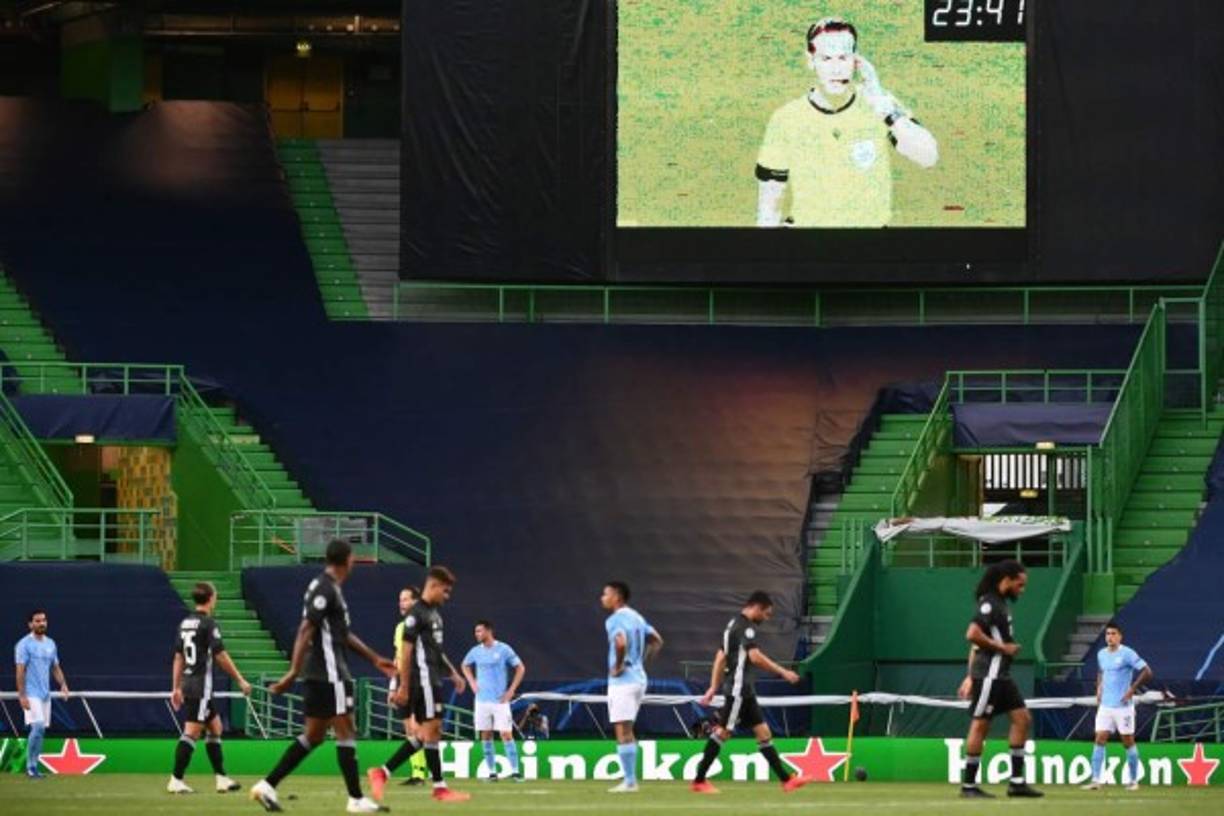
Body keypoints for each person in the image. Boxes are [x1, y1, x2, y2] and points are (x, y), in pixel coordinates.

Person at [249, 539, 396, 814]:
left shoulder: (327, 588)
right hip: (330, 674)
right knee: (346, 730)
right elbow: (306, 629)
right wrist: (292, 672)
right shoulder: (326, 588)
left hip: (319, 674)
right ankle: (355, 799)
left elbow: (342, 634)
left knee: (313, 737)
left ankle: (267, 785)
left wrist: (374, 658)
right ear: (347, 559)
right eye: (352, 558)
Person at [755, 16, 938, 228]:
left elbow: (928, 157)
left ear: (855, 60)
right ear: (810, 60)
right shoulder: (786, 119)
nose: (836, 69)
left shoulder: (879, 105)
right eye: (826, 59)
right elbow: (769, 206)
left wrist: (885, 109)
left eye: (843, 58)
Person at [691, 591, 808, 794]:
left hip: (744, 691)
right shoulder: (746, 628)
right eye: (766, 614)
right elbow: (755, 657)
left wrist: (713, 687)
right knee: (723, 732)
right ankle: (699, 781)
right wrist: (784, 672)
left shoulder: (732, 625)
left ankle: (787, 780)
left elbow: (720, 658)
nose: (766, 618)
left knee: (763, 733)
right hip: (738, 690)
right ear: (757, 607)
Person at [956, 560, 1042, 798]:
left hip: (1001, 675)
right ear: (1007, 580)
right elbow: (972, 634)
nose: (1022, 590)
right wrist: (1002, 648)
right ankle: (969, 786)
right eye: (1020, 584)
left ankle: (1016, 783)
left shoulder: (1001, 604)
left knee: (1022, 719)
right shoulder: (990, 603)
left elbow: (977, 643)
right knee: (980, 725)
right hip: (990, 674)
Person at [388, 566, 471, 803]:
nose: (447, 596)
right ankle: (436, 785)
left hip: (432, 679)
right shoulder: (415, 617)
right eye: (445, 591)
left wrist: (453, 673)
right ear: (433, 586)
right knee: (426, 732)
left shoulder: (434, 615)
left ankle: (385, 772)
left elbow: (436, 650)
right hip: (421, 681)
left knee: (429, 733)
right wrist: (400, 686)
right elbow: (403, 654)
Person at [168, 581, 252, 794]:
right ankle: (176, 779)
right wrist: (240, 679)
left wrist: (176, 687)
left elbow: (178, 657)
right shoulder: (208, 624)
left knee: (215, 728)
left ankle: (221, 778)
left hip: (189, 682)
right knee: (191, 732)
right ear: (211, 598)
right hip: (200, 686)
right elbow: (220, 655)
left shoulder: (185, 623)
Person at [601, 580, 663, 794]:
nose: (603, 598)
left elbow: (620, 642)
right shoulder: (637, 617)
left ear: (617, 597)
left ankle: (629, 782)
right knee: (627, 729)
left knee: (622, 729)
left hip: (623, 681)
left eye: (606, 594)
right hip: (638, 679)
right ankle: (630, 780)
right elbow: (657, 640)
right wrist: (641, 662)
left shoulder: (615, 619)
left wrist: (618, 666)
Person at [368, 585, 428, 791]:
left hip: (418, 681)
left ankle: (421, 773)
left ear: (415, 601)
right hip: (403, 681)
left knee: (417, 729)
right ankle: (417, 773)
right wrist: (393, 686)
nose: (401, 603)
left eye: (405, 599)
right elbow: (398, 657)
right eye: (400, 599)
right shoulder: (400, 628)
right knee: (409, 730)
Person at [1082, 622, 1152, 791]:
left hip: (1123, 707)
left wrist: (1132, 690)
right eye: (1108, 634)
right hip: (1106, 705)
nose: (1110, 637)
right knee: (1099, 739)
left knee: (1127, 742)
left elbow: (1147, 671)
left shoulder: (1127, 653)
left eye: (1113, 634)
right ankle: (1096, 780)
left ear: (1120, 636)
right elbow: (1101, 672)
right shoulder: (1101, 654)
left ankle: (1133, 781)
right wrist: (1099, 688)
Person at [461, 619, 526, 782]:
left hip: (500, 701)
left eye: (479, 631)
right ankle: (492, 773)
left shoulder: (504, 649)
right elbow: (465, 665)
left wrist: (511, 690)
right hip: (481, 701)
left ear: (489, 631)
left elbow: (520, 668)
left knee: (506, 734)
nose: (476, 634)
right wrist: (472, 682)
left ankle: (515, 771)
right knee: (486, 735)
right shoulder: (475, 651)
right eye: (476, 631)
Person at [14, 609, 70, 779]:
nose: (41, 623)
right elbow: (20, 671)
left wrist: (63, 684)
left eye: (43, 620)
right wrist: (22, 695)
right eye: (37, 621)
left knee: (41, 731)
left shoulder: (51, 644)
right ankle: (30, 767)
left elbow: (55, 667)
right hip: (31, 694)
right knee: (37, 726)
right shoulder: (23, 644)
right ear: (30, 624)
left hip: (45, 694)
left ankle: (34, 767)